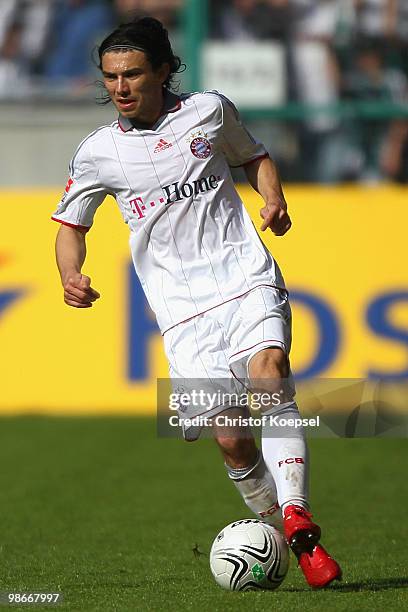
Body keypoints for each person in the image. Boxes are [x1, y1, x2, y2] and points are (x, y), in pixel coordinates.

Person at [51, 16, 342, 589]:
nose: (120, 87)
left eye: (133, 73)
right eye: (110, 77)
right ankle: (287, 536)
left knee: (270, 373)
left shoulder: (209, 111)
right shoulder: (97, 153)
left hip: (243, 274)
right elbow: (70, 223)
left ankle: (296, 515)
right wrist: (70, 273)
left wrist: (274, 200)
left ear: (164, 70)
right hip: (181, 311)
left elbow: (253, 156)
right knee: (232, 438)